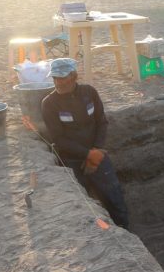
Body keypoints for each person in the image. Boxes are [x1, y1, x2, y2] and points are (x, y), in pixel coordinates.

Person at [41, 58, 129, 229]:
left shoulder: (89, 93)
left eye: (62, 77)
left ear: (74, 76)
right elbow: (58, 139)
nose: (58, 82)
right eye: (55, 78)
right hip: (71, 160)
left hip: (96, 154)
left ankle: (125, 231)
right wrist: (87, 155)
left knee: (114, 196)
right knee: (82, 205)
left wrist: (96, 151)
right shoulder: (49, 104)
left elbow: (101, 122)